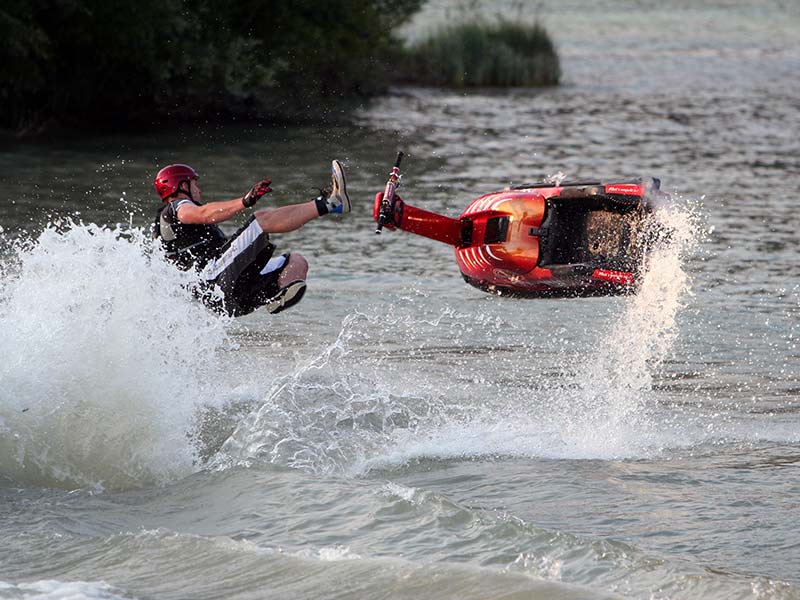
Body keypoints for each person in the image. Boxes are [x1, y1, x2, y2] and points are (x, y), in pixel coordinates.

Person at [152, 160, 350, 316]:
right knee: (260, 220)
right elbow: (204, 213)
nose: (199, 190)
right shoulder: (176, 208)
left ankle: (275, 298)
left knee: (295, 261)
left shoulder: (177, 224)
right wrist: (246, 200)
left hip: (231, 299)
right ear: (182, 185)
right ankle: (332, 203)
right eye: (195, 183)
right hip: (212, 283)